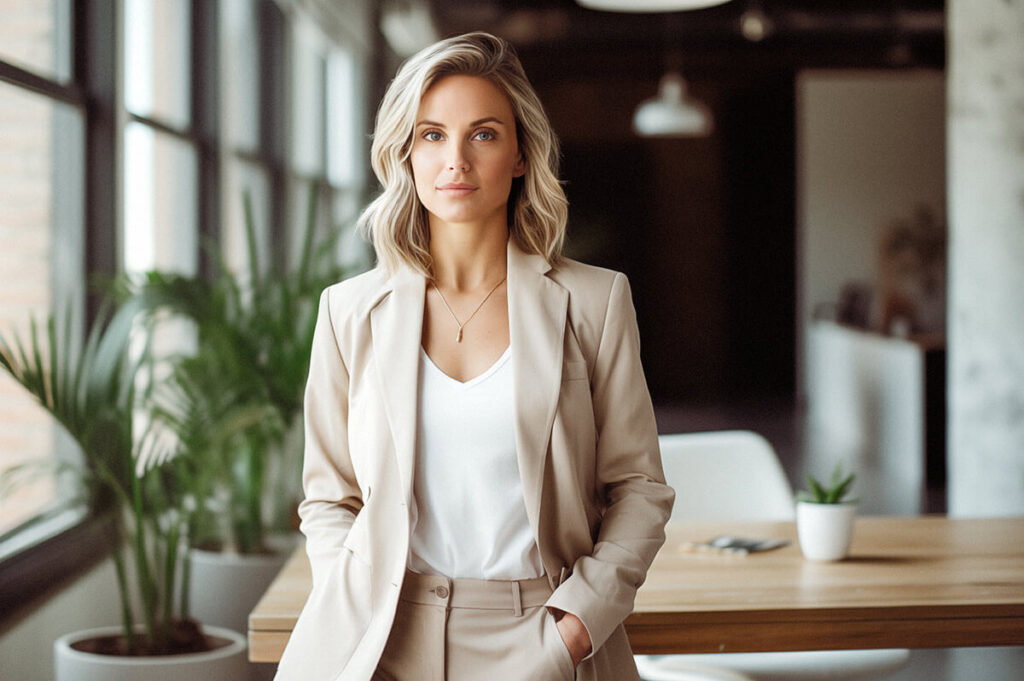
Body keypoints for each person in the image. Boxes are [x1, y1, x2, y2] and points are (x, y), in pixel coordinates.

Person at [274, 32, 674, 681]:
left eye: (482, 134)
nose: (454, 158)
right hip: (383, 634)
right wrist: (350, 589)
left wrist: (575, 628)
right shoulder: (349, 311)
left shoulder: (594, 300)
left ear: (520, 153)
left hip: (542, 630)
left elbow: (640, 486)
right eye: (431, 135)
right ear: (404, 152)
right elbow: (328, 497)